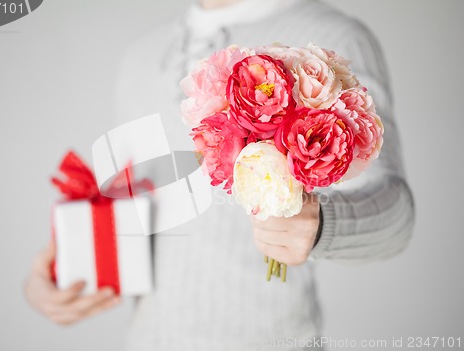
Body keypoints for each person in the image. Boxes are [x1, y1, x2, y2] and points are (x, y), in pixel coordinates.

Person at [24, 0, 415, 350]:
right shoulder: (139, 56)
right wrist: (66, 271)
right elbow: (135, 209)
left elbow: (395, 218)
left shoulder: (332, 38)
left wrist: (323, 225)